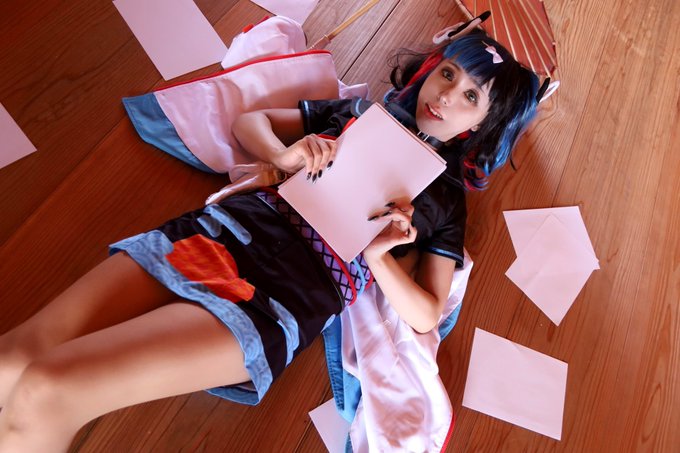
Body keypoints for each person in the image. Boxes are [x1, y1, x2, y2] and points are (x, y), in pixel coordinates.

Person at [0, 28, 540, 451]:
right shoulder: (360, 115)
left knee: (49, 387)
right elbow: (249, 123)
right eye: (447, 73)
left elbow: (426, 314)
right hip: (222, 234)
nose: (445, 95)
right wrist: (286, 154)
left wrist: (380, 257)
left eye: (470, 95)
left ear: (481, 123)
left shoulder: (445, 200)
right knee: (13, 358)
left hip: (286, 298)